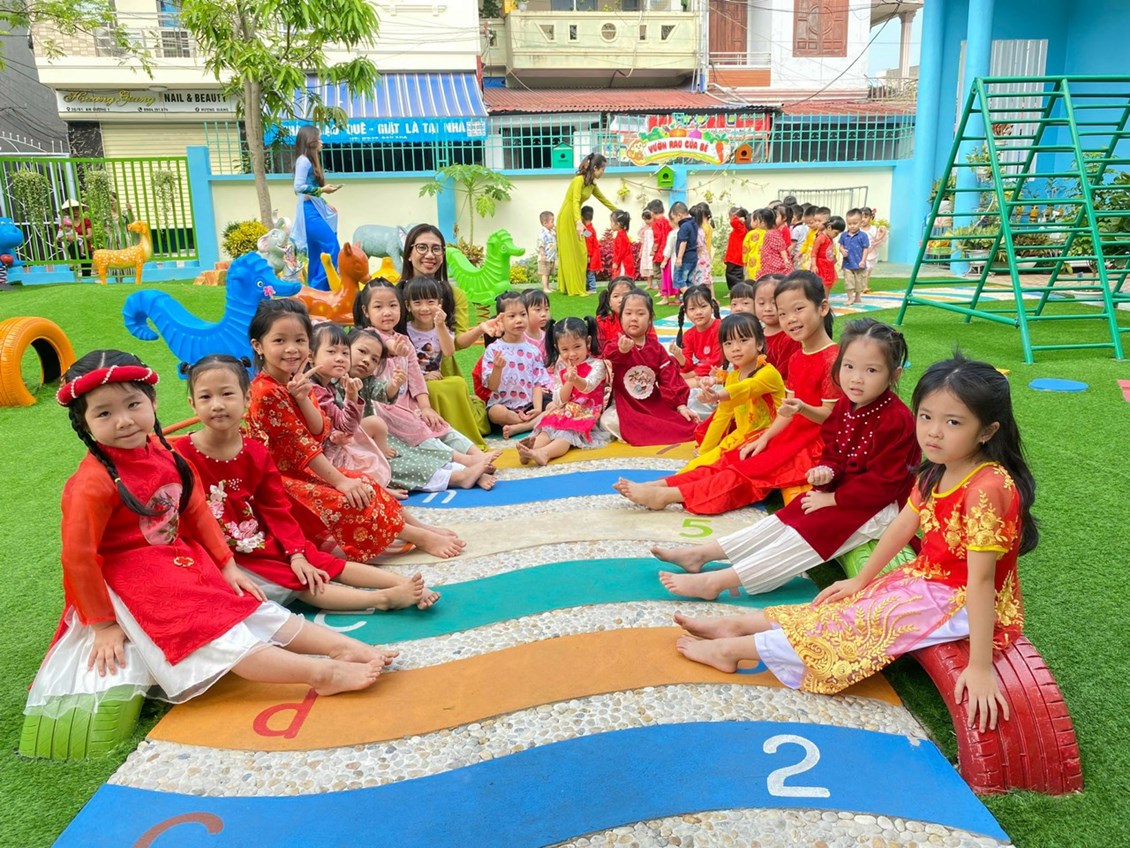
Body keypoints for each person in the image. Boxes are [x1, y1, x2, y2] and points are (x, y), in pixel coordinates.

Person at [24, 350, 396, 724]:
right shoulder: (90, 484)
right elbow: (78, 557)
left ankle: (343, 647)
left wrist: (227, 565)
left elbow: (197, 512)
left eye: (133, 404)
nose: (123, 421)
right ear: (85, 423)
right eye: (104, 414)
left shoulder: (165, 453)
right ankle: (319, 673)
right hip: (134, 577)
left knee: (251, 608)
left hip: (182, 560)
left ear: (152, 402)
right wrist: (103, 624)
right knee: (214, 632)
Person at [672, 355, 1036, 735]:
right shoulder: (937, 469)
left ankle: (733, 650)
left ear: (987, 431)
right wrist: (862, 580)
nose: (933, 432)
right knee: (842, 605)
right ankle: (737, 626)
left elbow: (982, 582)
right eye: (926, 416)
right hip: (929, 579)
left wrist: (979, 667)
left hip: (962, 601)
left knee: (857, 626)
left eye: (953, 422)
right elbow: (902, 524)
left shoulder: (987, 489)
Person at [656, 318, 918, 600]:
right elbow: (833, 449)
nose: (856, 378)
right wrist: (827, 471)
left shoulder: (896, 419)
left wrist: (832, 498)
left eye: (871, 370)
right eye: (849, 366)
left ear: (895, 374)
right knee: (788, 516)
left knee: (811, 533)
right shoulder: (847, 404)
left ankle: (717, 582)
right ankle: (702, 554)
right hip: (847, 494)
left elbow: (884, 485)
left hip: (881, 507)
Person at [177, 354, 439, 610]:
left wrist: (296, 553)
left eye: (227, 394)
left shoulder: (256, 452)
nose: (217, 405)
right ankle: (382, 600)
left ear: (247, 398)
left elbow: (275, 508)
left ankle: (402, 583)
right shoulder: (181, 455)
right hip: (221, 548)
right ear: (192, 403)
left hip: (262, 536)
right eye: (205, 397)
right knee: (301, 581)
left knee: (318, 561)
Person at [247, 299, 467, 560]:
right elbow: (301, 446)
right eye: (279, 340)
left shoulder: (298, 381)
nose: (292, 349)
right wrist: (341, 481)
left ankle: (420, 529)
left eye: (299, 340)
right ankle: (417, 536)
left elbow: (319, 430)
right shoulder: (267, 392)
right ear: (258, 346)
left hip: (305, 469)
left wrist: (303, 399)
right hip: (277, 480)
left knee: (366, 482)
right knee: (346, 497)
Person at [615, 272, 839, 514]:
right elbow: (787, 411)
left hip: (812, 445)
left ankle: (668, 495)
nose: (790, 319)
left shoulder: (833, 359)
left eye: (798, 309)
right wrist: (765, 438)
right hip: (785, 435)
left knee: (745, 473)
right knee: (730, 459)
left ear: (822, 307)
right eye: (783, 313)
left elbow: (832, 417)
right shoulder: (798, 357)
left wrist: (800, 410)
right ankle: (663, 484)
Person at [352, 281, 499, 486]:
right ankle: (469, 464)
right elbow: (385, 344)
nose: (387, 312)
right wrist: (395, 348)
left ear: (401, 307)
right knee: (423, 436)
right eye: (378, 307)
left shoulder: (404, 339)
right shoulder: (369, 337)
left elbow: (416, 377)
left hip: (408, 404)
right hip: (384, 408)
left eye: (392, 305)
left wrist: (426, 407)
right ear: (366, 311)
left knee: (439, 425)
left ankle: (478, 456)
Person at [399, 224, 491, 442]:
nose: (430, 255)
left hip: (442, 370)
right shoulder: (395, 294)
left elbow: (457, 342)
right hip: (403, 372)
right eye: (422, 247)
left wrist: (480, 329)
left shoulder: (454, 295)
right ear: (409, 254)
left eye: (436, 249)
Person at [678, 313, 784, 474]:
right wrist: (704, 452)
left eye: (743, 340)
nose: (735, 348)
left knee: (721, 472)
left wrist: (717, 396)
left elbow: (747, 387)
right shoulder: (733, 377)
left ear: (759, 344)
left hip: (768, 439)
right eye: (728, 343)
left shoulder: (768, 373)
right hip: (740, 437)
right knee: (694, 468)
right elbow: (722, 416)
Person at [305, 322, 398, 496]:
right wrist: (352, 397)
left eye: (345, 353)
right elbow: (346, 426)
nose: (340, 358)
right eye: (332, 352)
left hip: (331, 446)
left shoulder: (327, 385)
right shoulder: (314, 389)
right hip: (318, 458)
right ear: (310, 356)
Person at [600, 289, 698, 446]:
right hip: (626, 405)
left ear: (650, 318)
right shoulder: (616, 344)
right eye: (628, 313)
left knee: (685, 423)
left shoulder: (656, 349)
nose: (633, 318)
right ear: (621, 317)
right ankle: (636, 431)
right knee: (607, 420)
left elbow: (669, 378)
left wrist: (680, 406)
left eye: (640, 314)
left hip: (653, 404)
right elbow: (608, 357)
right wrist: (622, 351)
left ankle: (641, 431)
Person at [517, 316, 609, 466]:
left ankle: (545, 453)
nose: (571, 354)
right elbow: (559, 400)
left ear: (587, 342)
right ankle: (530, 450)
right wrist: (569, 382)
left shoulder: (597, 365)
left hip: (588, 412)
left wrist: (574, 379)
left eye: (577, 347)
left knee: (566, 433)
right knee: (548, 428)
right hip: (565, 409)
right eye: (565, 349)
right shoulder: (560, 366)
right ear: (557, 348)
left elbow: (588, 386)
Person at [482, 290, 553, 439]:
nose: (519, 320)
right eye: (512, 316)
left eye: (523, 314)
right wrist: (497, 368)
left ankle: (521, 427)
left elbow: (537, 383)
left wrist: (538, 408)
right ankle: (527, 422)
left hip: (530, 404)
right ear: (500, 320)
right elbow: (492, 386)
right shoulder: (494, 349)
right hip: (505, 406)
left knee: (554, 407)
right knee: (495, 412)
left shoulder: (533, 350)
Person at [557, 152, 617, 296]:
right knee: (575, 252)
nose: (603, 172)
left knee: (580, 253)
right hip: (568, 216)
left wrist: (618, 211)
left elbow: (604, 199)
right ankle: (574, 288)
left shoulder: (591, 185)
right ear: (595, 168)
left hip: (576, 216)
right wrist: (578, 221)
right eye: (602, 169)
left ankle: (575, 286)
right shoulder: (579, 180)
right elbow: (575, 201)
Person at [292, 125, 340, 291]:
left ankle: (315, 290)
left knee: (317, 252)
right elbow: (298, 187)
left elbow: (307, 190)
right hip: (309, 211)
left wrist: (325, 203)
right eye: (318, 138)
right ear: (310, 141)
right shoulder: (304, 161)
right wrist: (322, 190)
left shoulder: (308, 161)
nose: (321, 142)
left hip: (312, 207)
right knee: (332, 247)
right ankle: (319, 287)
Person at [669, 284, 722, 387]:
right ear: (686, 312)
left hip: (719, 372)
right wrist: (679, 356)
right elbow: (687, 365)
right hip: (700, 371)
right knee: (671, 377)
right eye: (692, 308)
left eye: (703, 306)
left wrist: (690, 375)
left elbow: (717, 360)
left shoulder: (720, 327)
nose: (698, 312)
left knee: (680, 384)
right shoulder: (689, 335)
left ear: (712, 307)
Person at [752, 274, 800, 381]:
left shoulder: (789, 338)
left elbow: (783, 378)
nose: (768, 308)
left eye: (774, 303)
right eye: (761, 303)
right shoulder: (755, 334)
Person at [839, 209, 871, 306]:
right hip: (847, 264)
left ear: (860, 222)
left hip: (859, 263)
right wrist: (842, 250)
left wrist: (863, 260)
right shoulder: (844, 235)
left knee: (859, 282)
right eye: (849, 224)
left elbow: (865, 249)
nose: (852, 226)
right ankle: (850, 298)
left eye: (855, 223)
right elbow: (841, 246)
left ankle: (857, 296)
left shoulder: (863, 236)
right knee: (849, 281)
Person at [55, 198, 92, 278]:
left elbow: (89, 236)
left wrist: (76, 236)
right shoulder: (65, 223)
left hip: (86, 249)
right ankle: (73, 263)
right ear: (68, 211)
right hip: (72, 249)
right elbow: (59, 237)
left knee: (86, 273)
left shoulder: (86, 221)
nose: (75, 211)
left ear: (81, 210)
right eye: (73, 209)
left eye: (77, 209)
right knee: (73, 274)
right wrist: (67, 237)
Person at [671, 202, 697, 293]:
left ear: (679, 215)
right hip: (693, 257)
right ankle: (692, 297)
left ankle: (691, 297)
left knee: (679, 280)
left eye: (673, 218)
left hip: (685, 258)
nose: (674, 221)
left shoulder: (684, 226)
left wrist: (679, 258)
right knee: (688, 281)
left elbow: (683, 242)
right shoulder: (694, 223)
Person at [757, 207, 791, 277]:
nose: (757, 222)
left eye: (758, 220)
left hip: (774, 265)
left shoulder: (771, 233)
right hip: (770, 263)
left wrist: (785, 260)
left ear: (763, 222)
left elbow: (781, 248)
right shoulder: (770, 232)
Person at [522, 288, 553, 363]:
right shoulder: (519, 337)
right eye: (538, 309)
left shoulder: (548, 335)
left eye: (546, 309)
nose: (544, 314)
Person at [817, 216, 845, 296]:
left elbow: (831, 249)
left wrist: (834, 257)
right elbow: (814, 253)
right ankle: (823, 299)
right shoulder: (821, 238)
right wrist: (814, 265)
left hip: (828, 265)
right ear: (829, 227)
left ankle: (826, 299)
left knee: (828, 283)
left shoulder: (830, 239)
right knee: (823, 283)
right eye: (836, 233)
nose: (836, 235)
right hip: (821, 265)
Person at [862, 207, 887, 293]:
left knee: (868, 270)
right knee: (866, 269)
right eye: (861, 217)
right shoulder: (858, 230)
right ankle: (864, 286)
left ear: (870, 218)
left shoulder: (873, 229)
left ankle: (864, 285)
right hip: (861, 253)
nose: (863, 219)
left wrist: (882, 233)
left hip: (871, 252)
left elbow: (878, 238)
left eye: (865, 217)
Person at [724, 207, 749, 292]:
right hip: (735, 257)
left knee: (733, 275)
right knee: (734, 275)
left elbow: (733, 222)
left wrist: (738, 219)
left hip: (735, 257)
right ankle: (735, 290)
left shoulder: (741, 228)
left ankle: (737, 290)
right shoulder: (741, 228)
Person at [658, 209, 680, 306]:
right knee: (678, 278)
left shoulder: (673, 234)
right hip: (680, 258)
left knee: (667, 279)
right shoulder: (683, 231)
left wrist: (665, 260)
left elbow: (669, 248)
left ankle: (665, 298)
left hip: (672, 259)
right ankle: (677, 298)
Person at [691, 202, 713, 288]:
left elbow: (699, 243)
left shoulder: (702, 227)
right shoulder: (708, 225)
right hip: (706, 253)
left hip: (701, 254)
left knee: (701, 278)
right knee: (707, 278)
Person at [610, 209, 635, 278]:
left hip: (623, 263)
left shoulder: (621, 236)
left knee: (622, 278)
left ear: (618, 224)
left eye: (612, 222)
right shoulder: (621, 234)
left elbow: (621, 251)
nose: (610, 224)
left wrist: (616, 262)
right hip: (622, 262)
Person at [536, 210, 557, 293]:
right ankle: (545, 288)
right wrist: (542, 254)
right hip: (545, 257)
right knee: (544, 273)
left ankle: (548, 287)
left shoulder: (551, 232)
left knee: (548, 273)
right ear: (545, 223)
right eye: (552, 221)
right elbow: (541, 244)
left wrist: (556, 230)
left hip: (551, 257)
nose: (553, 224)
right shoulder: (543, 233)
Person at [582, 205, 601, 292]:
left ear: (582, 217)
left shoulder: (588, 230)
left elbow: (589, 243)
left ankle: (592, 288)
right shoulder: (589, 229)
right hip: (594, 254)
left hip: (592, 255)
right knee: (589, 272)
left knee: (590, 273)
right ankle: (588, 287)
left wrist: (588, 255)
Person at [742, 209, 765, 281]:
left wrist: (744, 261)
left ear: (756, 222)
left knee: (751, 280)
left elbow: (745, 249)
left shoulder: (750, 234)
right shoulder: (767, 232)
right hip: (764, 262)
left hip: (752, 262)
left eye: (751, 219)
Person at [638, 209, 656, 291]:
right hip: (646, 250)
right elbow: (643, 241)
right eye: (645, 219)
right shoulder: (644, 229)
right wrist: (641, 251)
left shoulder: (656, 227)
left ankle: (658, 284)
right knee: (647, 267)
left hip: (653, 248)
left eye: (649, 219)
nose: (647, 221)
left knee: (654, 266)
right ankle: (649, 284)